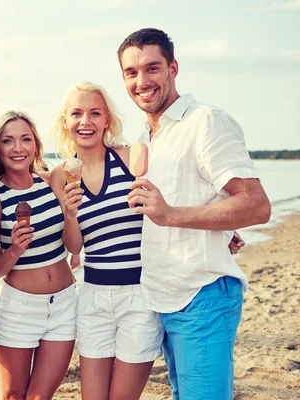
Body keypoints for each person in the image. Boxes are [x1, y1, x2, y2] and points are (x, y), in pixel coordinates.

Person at [118, 28, 271, 399]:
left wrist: (171, 214)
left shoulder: (205, 121)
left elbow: (256, 204)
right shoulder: (147, 139)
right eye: (131, 72)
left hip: (201, 294)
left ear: (173, 68)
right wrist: (219, 227)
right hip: (162, 295)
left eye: (152, 68)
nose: (142, 81)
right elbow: (209, 199)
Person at [50, 82, 163, 400]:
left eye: (94, 113)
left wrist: (223, 232)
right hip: (93, 297)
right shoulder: (61, 175)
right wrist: (70, 214)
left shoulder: (131, 158)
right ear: (66, 122)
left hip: (139, 296)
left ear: (106, 121)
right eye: (77, 114)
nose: (85, 121)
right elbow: (74, 247)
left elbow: (174, 194)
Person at [0, 111, 78, 399]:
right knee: (14, 396)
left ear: (36, 146)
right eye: (8, 141)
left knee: (41, 396)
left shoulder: (51, 182)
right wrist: (14, 250)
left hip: (64, 304)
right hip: (19, 308)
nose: (18, 148)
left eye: (25, 139)